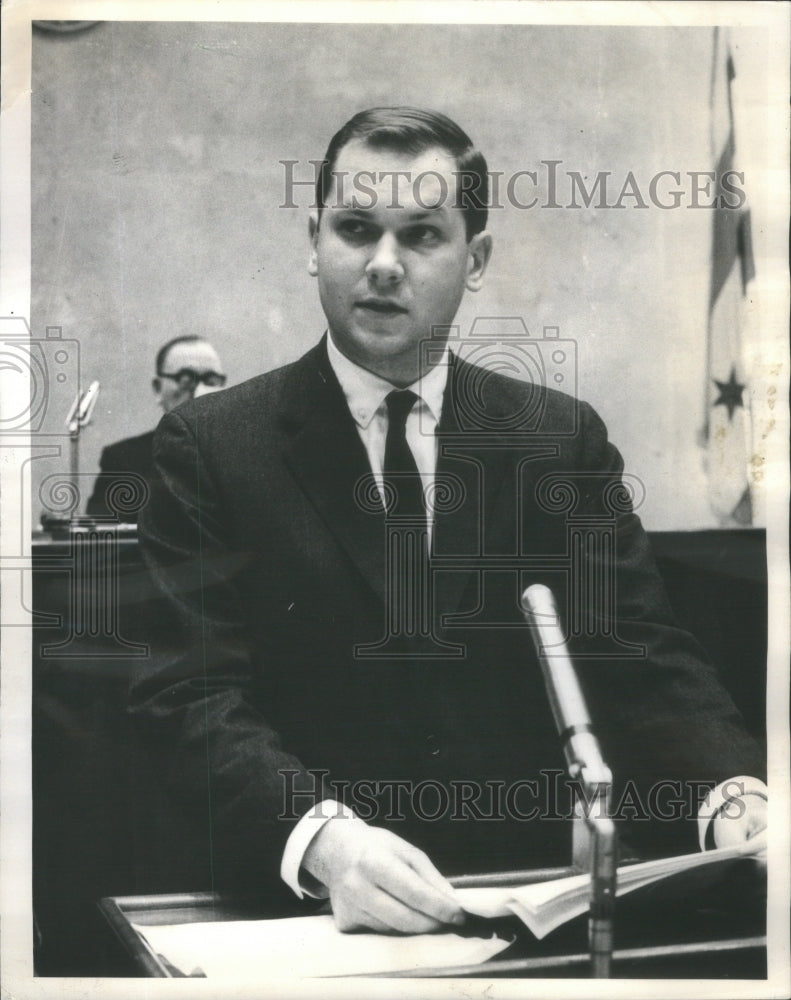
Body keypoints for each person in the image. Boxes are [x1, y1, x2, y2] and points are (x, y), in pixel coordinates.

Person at [131, 108, 766, 934]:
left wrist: (734, 800)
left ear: (476, 259)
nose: (383, 265)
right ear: (312, 240)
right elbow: (188, 695)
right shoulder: (211, 446)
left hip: (517, 908)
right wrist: (327, 843)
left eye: (422, 235)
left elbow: (641, 662)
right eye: (355, 229)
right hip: (301, 917)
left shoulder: (555, 439)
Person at [85, 335, 226, 522]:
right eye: (186, 379)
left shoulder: (244, 457)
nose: (200, 391)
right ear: (158, 388)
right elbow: (104, 542)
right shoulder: (123, 460)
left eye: (211, 380)